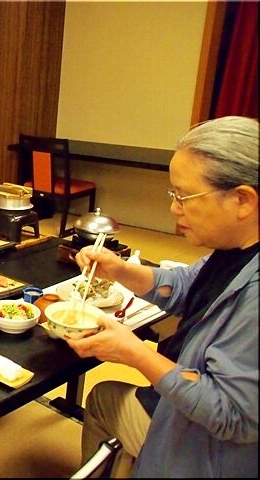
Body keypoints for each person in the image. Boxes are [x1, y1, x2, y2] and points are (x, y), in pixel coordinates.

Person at [68, 116, 258, 477]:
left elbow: (231, 415)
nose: (174, 208)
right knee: (109, 397)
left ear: (243, 200)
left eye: (184, 197)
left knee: (104, 400)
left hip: (209, 451)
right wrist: (120, 270)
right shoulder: (236, 248)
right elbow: (189, 285)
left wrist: (135, 353)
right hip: (185, 403)